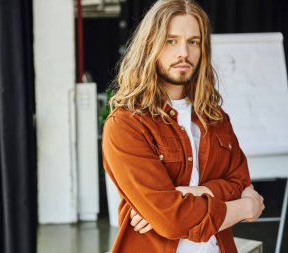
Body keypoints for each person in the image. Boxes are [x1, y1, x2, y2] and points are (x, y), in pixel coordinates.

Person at [101, 0, 265, 252]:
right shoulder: (126, 124)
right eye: (171, 41)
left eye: (193, 41)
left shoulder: (216, 118)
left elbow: (242, 184)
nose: (183, 53)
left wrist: (189, 192)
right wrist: (244, 207)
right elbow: (172, 219)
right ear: (149, 46)